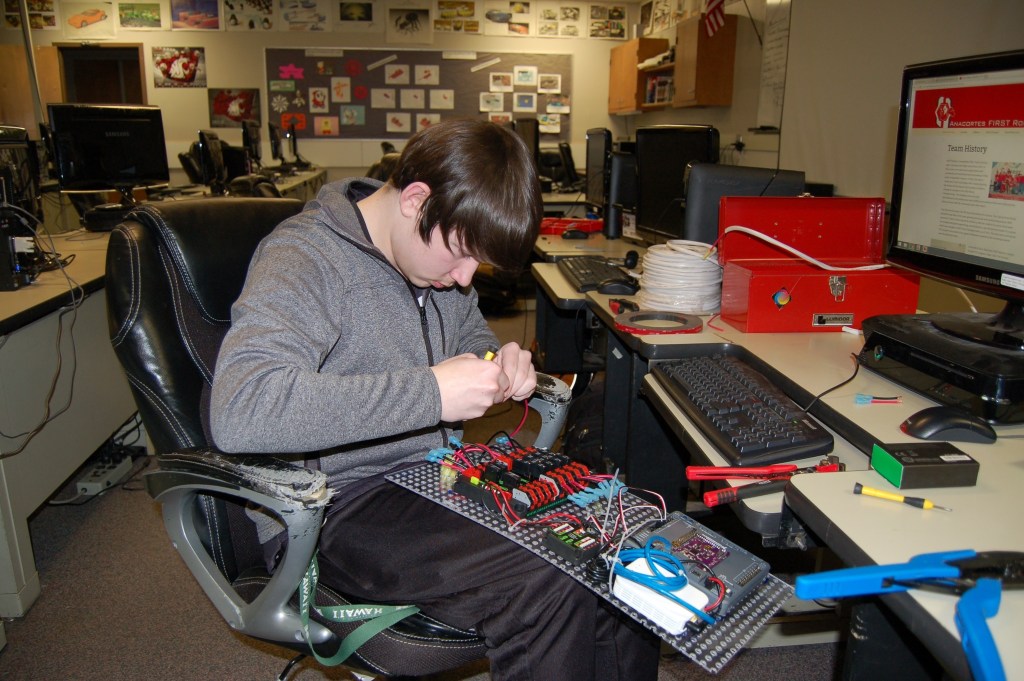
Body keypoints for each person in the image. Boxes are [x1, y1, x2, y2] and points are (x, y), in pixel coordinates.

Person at [209, 119, 660, 680]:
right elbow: (241, 409)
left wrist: (499, 361)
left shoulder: (434, 261)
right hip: (332, 506)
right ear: (416, 199)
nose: (466, 276)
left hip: (437, 480)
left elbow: (468, 335)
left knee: (614, 540)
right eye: (461, 254)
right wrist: (430, 393)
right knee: (549, 572)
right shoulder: (303, 258)